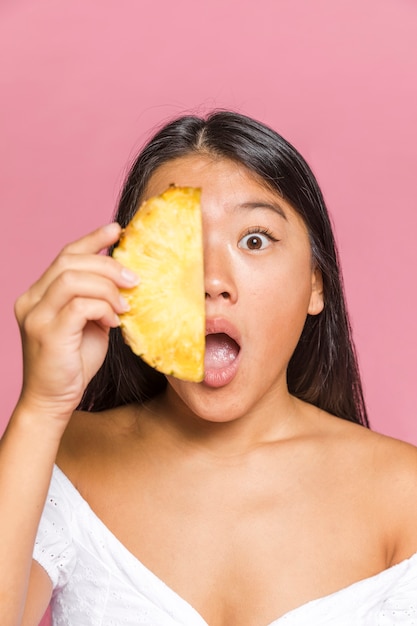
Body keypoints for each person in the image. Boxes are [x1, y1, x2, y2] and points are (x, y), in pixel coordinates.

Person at [0, 111, 416, 626]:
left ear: (316, 284)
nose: (212, 280)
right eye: (179, 245)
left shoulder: (406, 493)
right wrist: (41, 408)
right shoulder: (63, 460)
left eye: (254, 240)